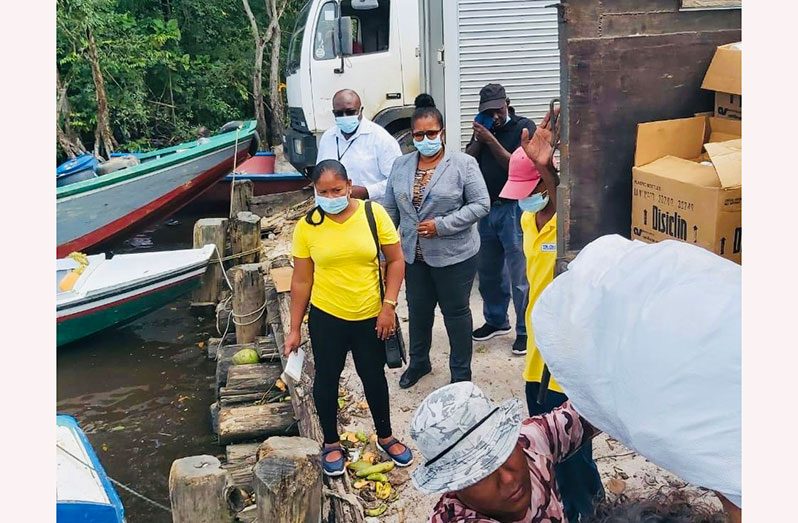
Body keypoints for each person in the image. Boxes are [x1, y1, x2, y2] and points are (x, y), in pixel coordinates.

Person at [499, 108, 603, 521]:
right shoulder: (527, 219)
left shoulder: (566, 222)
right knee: (550, 449)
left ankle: (584, 511)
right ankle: (587, 503)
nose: (527, 196)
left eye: (535, 185)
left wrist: (549, 171)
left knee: (571, 451)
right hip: (537, 358)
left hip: (567, 359)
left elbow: (566, 211)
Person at [284, 159, 413, 476]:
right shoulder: (307, 226)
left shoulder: (373, 214)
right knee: (326, 379)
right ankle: (330, 443)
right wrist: (294, 328)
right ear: (314, 191)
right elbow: (301, 280)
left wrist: (389, 306)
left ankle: (385, 435)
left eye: (337, 190)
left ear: (349, 185)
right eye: (322, 191)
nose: (330, 197)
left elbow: (396, 261)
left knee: (374, 376)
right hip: (327, 317)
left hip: (371, 317)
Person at [382, 94, 490, 389]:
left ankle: (460, 373)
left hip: (454, 254)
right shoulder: (401, 165)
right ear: (412, 135)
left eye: (431, 133)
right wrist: (384, 249)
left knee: (455, 314)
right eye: (419, 134)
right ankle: (419, 362)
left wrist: (442, 226)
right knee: (418, 311)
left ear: (442, 132)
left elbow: (481, 205)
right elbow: (390, 210)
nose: (425, 138)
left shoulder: (463, 164)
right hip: (413, 256)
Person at [409, 381, 598, 523]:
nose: (508, 479)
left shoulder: (530, 441)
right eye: (479, 475)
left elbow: (597, 407)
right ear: (453, 487)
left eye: (505, 451)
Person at [465, 83, 536, 356]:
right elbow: (468, 164)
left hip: (514, 208)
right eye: (488, 111)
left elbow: (515, 166)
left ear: (507, 103)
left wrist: (491, 140)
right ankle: (496, 320)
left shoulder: (523, 128)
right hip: (487, 209)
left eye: (498, 109)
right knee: (489, 271)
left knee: (520, 275)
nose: (494, 115)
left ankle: (524, 331)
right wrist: (477, 139)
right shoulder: (483, 132)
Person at [316, 89, 402, 202]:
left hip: (370, 212)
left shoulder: (381, 138)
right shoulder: (328, 138)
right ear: (333, 113)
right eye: (339, 113)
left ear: (361, 110)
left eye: (350, 112)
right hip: (334, 211)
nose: (345, 116)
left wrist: (367, 192)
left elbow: (398, 180)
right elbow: (319, 178)